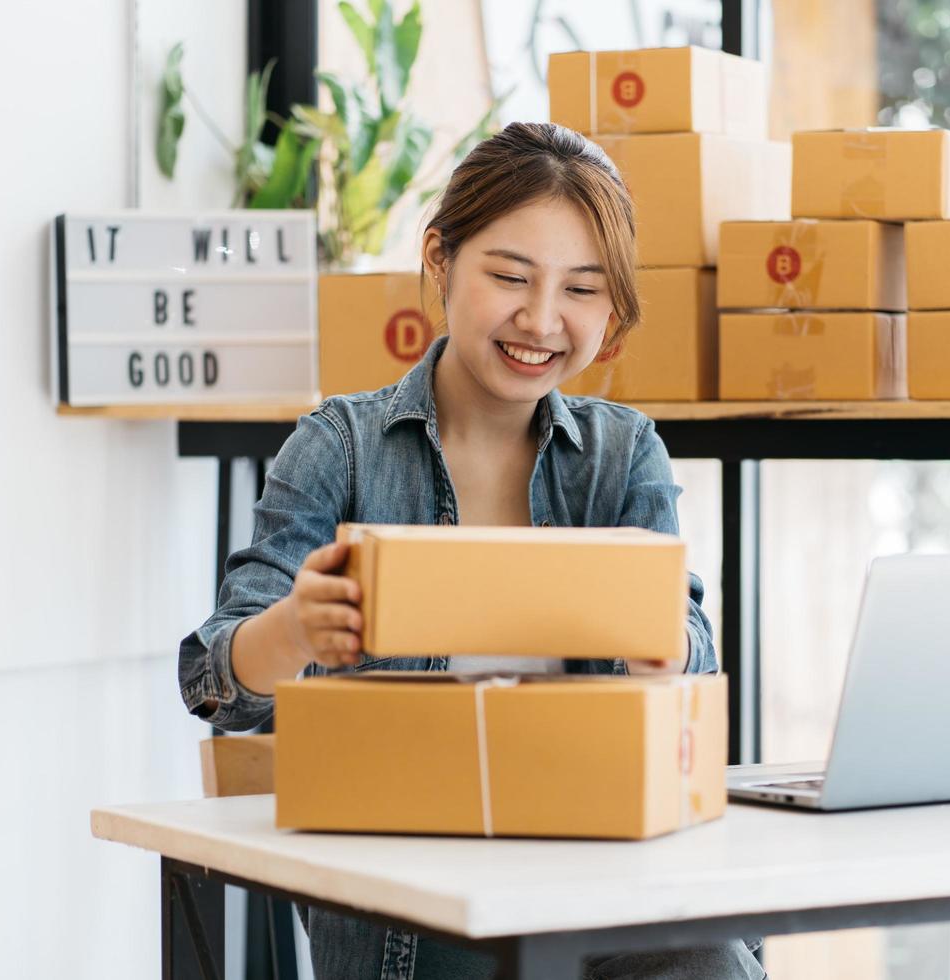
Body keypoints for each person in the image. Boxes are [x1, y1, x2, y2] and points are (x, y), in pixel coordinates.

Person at [178, 121, 765, 980]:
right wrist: (298, 630)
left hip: (601, 882)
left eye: (582, 290)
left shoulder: (623, 452)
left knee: (709, 956)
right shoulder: (341, 445)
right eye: (510, 276)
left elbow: (694, 661)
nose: (541, 319)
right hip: (411, 914)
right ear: (442, 261)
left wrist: (662, 644)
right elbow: (210, 681)